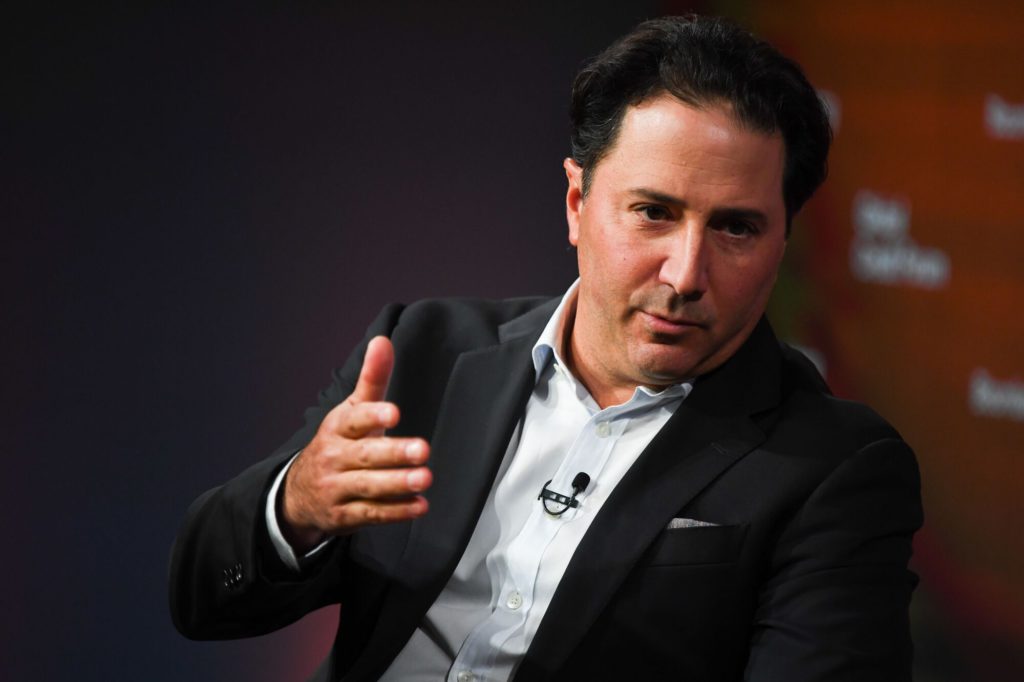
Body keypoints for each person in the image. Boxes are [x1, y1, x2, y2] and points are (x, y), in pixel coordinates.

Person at [169, 15, 922, 681]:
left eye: (736, 228)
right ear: (576, 203)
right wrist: (297, 505)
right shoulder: (424, 352)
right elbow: (202, 598)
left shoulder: (833, 467)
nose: (686, 275)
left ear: (783, 242)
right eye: (653, 213)